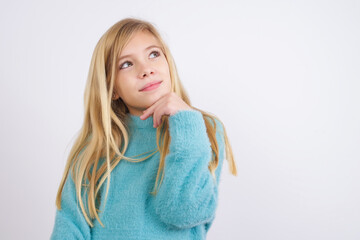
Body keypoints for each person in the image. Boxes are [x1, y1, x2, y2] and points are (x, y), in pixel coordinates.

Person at [50, 17, 237, 240]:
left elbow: (182, 212)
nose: (146, 69)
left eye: (154, 54)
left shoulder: (202, 129)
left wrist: (186, 123)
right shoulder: (94, 150)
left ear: (168, 63)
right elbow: (69, 229)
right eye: (126, 64)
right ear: (112, 89)